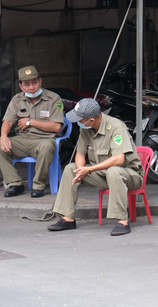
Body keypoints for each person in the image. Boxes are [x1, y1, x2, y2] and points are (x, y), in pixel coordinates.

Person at [48, 98, 143, 236]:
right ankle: (67, 218)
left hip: (129, 175)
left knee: (114, 171)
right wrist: (81, 170)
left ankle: (122, 221)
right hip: (102, 174)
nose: (77, 123)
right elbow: (80, 154)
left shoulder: (116, 126)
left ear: (90, 120)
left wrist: (90, 169)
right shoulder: (86, 129)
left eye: (79, 119)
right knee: (70, 169)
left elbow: (119, 159)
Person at [0, 65, 64, 198]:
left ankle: (38, 185)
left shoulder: (54, 99)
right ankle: (15, 184)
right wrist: (3, 136)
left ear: (40, 82)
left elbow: (56, 127)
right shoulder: (17, 100)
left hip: (43, 141)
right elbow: (7, 121)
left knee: (48, 145)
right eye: (27, 84)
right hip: (22, 141)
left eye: (35, 83)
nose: (32, 87)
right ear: (21, 86)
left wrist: (30, 122)